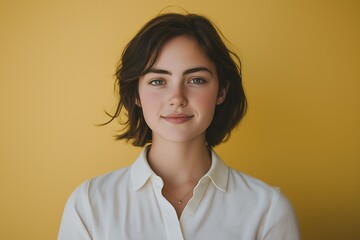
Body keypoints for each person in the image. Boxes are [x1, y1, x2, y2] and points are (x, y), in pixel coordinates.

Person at [58, 13, 300, 240]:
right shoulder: (89, 204)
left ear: (222, 91)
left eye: (196, 80)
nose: (177, 97)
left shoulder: (268, 209)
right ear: (136, 94)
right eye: (158, 81)